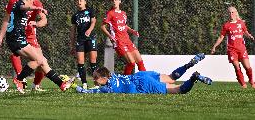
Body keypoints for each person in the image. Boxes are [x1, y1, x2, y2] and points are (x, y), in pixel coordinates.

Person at [0, 0, 70, 94]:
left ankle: (61, 84)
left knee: (42, 60)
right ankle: (19, 79)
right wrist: (37, 8)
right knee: (39, 60)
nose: (34, 1)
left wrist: (36, 14)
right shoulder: (19, 3)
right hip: (15, 39)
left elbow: (30, 9)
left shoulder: (23, 4)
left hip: (19, 38)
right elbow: (25, 6)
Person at [75, 53, 211, 94]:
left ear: (104, 78)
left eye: (96, 79)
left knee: (178, 89)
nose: (94, 81)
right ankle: (189, 64)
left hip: (142, 85)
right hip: (141, 75)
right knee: (171, 77)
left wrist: (79, 88)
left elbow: (92, 91)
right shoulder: (113, 75)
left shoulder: (107, 88)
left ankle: (194, 78)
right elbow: (96, 87)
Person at [0, 0, 46, 91]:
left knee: (41, 61)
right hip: (16, 34)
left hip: (30, 35)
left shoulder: (36, 2)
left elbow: (44, 20)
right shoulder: (13, 1)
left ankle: (36, 85)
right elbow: (6, 20)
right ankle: (21, 80)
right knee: (15, 55)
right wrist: (0, 38)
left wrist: (36, 24)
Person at [101, 0, 146, 75]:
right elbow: (102, 26)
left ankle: (147, 81)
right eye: (112, 0)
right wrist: (110, 36)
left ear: (119, 1)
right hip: (119, 41)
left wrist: (132, 31)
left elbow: (124, 25)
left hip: (127, 40)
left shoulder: (123, 13)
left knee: (140, 61)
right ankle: (125, 81)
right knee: (131, 63)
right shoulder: (110, 13)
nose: (114, 1)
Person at [211, 6, 255, 88]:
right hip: (232, 50)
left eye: (232, 12)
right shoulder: (226, 25)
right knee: (237, 66)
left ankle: (251, 81)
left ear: (235, 13)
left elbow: (245, 32)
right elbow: (221, 37)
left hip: (242, 48)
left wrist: (250, 36)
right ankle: (243, 84)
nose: (231, 14)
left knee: (247, 67)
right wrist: (214, 46)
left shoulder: (241, 23)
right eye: (229, 12)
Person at [70, 0, 98, 89]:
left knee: (93, 60)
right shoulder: (75, 16)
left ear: (85, 2)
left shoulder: (90, 11)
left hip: (90, 38)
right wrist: (72, 46)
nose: (79, 2)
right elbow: (73, 31)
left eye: (81, 0)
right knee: (80, 62)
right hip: (80, 40)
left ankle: (96, 84)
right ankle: (84, 83)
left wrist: (89, 30)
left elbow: (93, 21)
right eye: (77, 0)